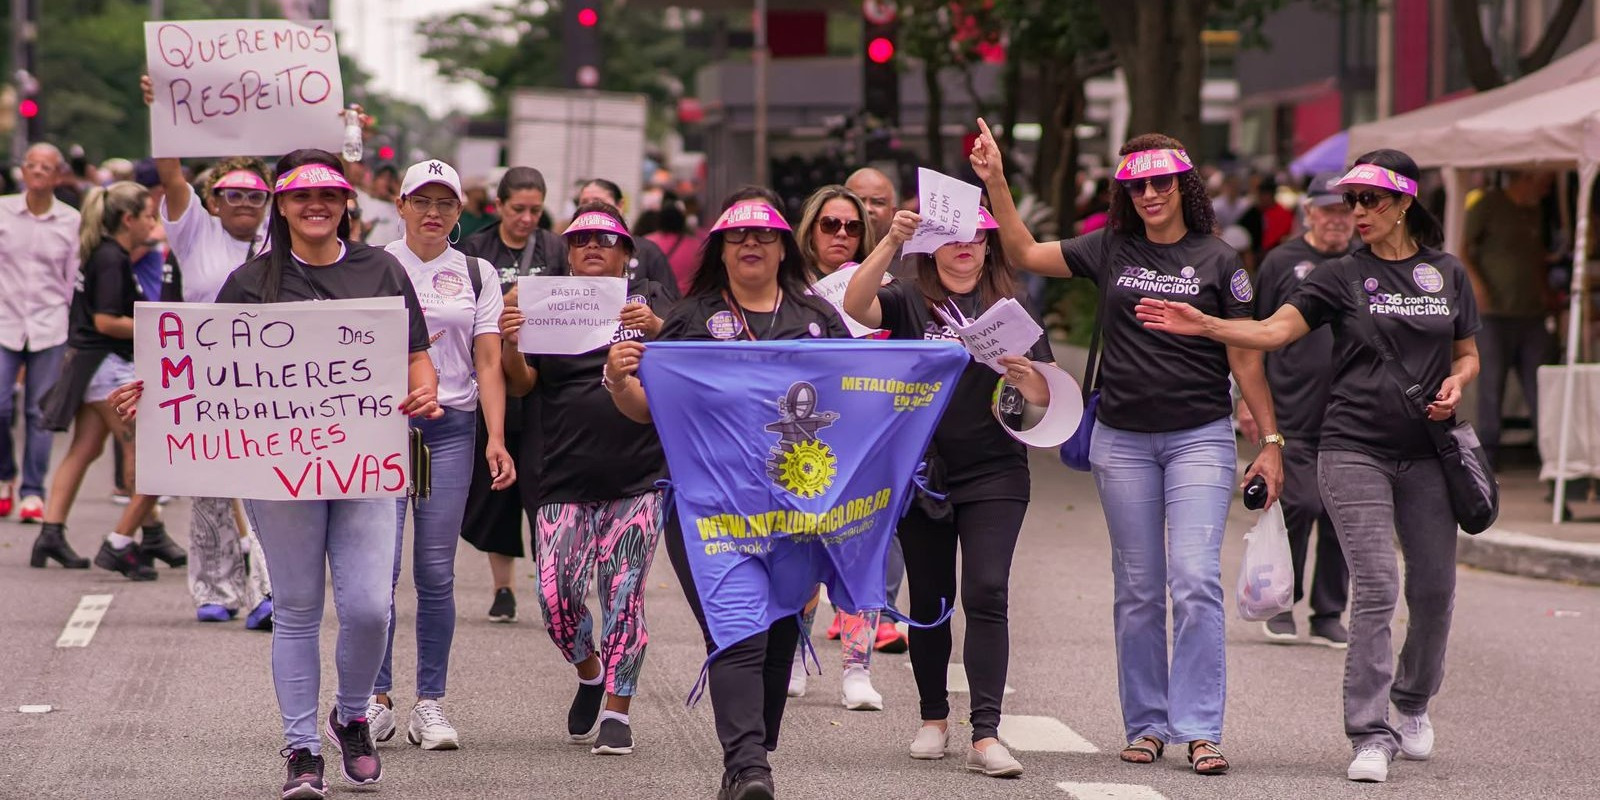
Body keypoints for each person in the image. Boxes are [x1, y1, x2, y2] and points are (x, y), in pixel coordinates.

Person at [1135, 150, 1480, 784]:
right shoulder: (1338, 276)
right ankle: (1370, 734)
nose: (1356, 212)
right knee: (1377, 586)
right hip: (1351, 446)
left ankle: (1411, 701)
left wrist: (1458, 383)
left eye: (1370, 200)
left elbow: (1467, 354)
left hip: (1429, 452)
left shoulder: (1447, 273)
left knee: (1434, 591)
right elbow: (1269, 333)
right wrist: (1207, 323)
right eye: (1351, 200)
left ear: (1406, 201)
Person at [117, 150, 442, 797]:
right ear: (282, 205)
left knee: (370, 608)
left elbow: (418, 359)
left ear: (347, 202)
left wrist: (425, 393)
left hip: (364, 465)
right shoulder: (251, 282)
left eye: (328, 194)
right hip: (281, 471)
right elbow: (211, 373)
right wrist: (154, 392)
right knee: (296, 608)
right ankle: (300, 750)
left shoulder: (381, 270)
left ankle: (351, 717)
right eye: (300, 196)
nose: (315, 205)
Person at [970, 121, 1284, 776]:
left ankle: (1199, 727)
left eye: (1160, 182)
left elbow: (1246, 353)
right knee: (1139, 588)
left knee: (1194, 578)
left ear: (1184, 184)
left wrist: (1271, 438)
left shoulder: (1220, 260)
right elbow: (1024, 252)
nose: (1149, 195)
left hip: (1199, 436)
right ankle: (1146, 724)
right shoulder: (1109, 247)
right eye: (1136, 185)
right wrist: (996, 179)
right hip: (1122, 440)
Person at [606, 195, 849, 800]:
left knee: (780, 636)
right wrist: (617, 376)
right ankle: (749, 769)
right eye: (737, 235)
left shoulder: (817, 318)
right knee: (740, 631)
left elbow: (858, 400)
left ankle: (748, 756)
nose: (751, 244)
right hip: (709, 511)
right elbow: (644, 411)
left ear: (783, 248)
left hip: (798, 513)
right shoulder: (691, 319)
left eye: (764, 236)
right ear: (719, 248)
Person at [842, 204, 1053, 779]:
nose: (966, 247)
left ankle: (986, 733)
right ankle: (933, 717)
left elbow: (1045, 398)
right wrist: (889, 242)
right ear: (932, 247)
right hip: (920, 472)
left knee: (987, 591)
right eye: (953, 238)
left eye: (978, 238)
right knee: (930, 602)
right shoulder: (911, 300)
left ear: (989, 247)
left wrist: (1028, 377)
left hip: (996, 471)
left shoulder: (1014, 308)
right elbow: (855, 305)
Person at [500, 201, 673, 756]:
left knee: (623, 593)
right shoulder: (548, 305)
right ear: (567, 254)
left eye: (605, 238)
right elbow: (523, 385)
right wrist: (510, 340)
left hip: (638, 475)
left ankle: (618, 711)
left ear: (627, 252)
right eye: (579, 240)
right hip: (563, 474)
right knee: (554, 598)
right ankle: (590, 673)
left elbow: (699, 365)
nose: (591, 246)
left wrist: (663, 332)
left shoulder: (649, 305)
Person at [367, 159, 515, 751]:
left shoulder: (477, 274)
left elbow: (488, 359)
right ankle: (371, 700)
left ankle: (430, 703)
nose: (433, 213)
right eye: (421, 202)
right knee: (376, 574)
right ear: (400, 205)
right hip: (381, 430)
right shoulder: (372, 263)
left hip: (451, 428)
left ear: (460, 212)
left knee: (435, 573)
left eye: (445, 204)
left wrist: (496, 437)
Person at [783, 184, 902, 711]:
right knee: (801, 553)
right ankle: (791, 655)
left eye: (853, 226)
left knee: (860, 551)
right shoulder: (785, 288)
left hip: (866, 438)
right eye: (830, 224)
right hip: (802, 438)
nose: (842, 234)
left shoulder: (886, 285)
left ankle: (858, 669)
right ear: (809, 229)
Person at [32, 181, 180, 580]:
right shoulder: (112, 259)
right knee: (139, 450)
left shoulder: (101, 252)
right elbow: (106, 321)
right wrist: (158, 328)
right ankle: (135, 539)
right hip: (106, 365)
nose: (153, 221)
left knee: (85, 447)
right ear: (128, 219)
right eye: (149, 214)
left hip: (89, 363)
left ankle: (51, 531)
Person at [1242, 172, 1352, 647]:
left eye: (1346, 211)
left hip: (1349, 411)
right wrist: (1248, 405)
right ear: (1309, 212)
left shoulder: (1361, 264)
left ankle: (1328, 612)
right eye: (1327, 211)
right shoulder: (1282, 262)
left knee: (1340, 512)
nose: (1336, 221)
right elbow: (1254, 336)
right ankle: (1283, 600)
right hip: (1289, 407)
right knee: (1300, 503)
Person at [457, 166, 568, 623]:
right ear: (499, 206)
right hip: (490, 382)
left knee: (544, 490)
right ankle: (503, 588)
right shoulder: (475, 249)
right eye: (518, 209)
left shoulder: (556, 249)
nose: (526, 218)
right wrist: (504, 304)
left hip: (541, 382)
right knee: (494, 490)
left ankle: (552, 584)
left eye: (535, 210)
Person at [0, 143, 79, 526]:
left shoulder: (70, 221)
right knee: (0, 405)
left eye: (46, 167)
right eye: (31, 165)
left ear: (57, 174)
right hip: (5, 322)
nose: (37, 172)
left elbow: (71, 279)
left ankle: (33, 492)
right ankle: (4, 477)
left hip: (50, 325)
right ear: (23, 171)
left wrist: (70, 327)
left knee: (39, 412)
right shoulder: (3, 211)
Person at [1462, 170, 1555, 465]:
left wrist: (1546, 293)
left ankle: (1549, 456)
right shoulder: (1488, 204)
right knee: (1491, 385)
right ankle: (1487, 457)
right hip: (1494, 314)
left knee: (1541, 384)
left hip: (1531, 314)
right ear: (1526, 179)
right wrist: (1477, 284)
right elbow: (1463, 249)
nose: (1545, 191)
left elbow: (1537, 256)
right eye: (1543, 183)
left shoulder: (1535, 211)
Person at [575, 178, 681, 298]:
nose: (592, 208)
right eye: (584, 202)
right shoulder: (565, 247)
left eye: (599, 202)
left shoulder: (648, 251)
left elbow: (670, 304)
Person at [845, 167, 908, 278]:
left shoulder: (913, 262)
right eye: (859, 201)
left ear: (893, 212)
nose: (867, 208)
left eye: (878, 202)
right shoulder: (832, 254)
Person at [641, 193, 703, 295]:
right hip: (687, 300)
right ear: (682, 221)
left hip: (657, 298)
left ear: (659, 219)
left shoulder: (647, 242)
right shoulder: (696, 245)